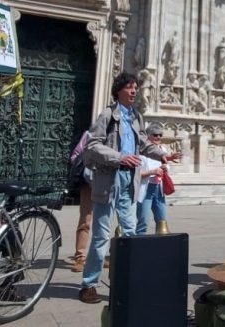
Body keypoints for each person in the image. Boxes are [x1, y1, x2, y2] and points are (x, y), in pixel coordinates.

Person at [78, 72, 181, 304]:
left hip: (129, 181)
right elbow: (92, 146)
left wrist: (165, 155)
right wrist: (120, 157)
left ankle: (125, 280)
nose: (134, 91)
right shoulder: (107, 115)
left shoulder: (136, 117)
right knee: (102, 235)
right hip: (109, 179)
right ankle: (89, 284)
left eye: (136, 87)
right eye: (130, 87)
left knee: (131, 233)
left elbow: (144, 144)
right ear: (119, 91)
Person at [66, 130, 93, 273]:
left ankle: (96, 256)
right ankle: (80, 257)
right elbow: (75, 155)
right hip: (88, 183)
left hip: (107, 183)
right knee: (86, 219)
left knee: (104, 222)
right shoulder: (89, 134)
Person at [136, 122, 170, 235]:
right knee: (143, 221)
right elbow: (137, 174)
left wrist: (166, 167)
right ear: (147, 136)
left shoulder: (162, 149)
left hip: (158, 189)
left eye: (160, 135)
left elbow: (167, 165)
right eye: (155, 135)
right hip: (146, 189)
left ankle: (160, 247)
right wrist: (153, 172)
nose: (158, 137)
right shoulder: (141, 152)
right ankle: (139, 247)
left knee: (162, 220)